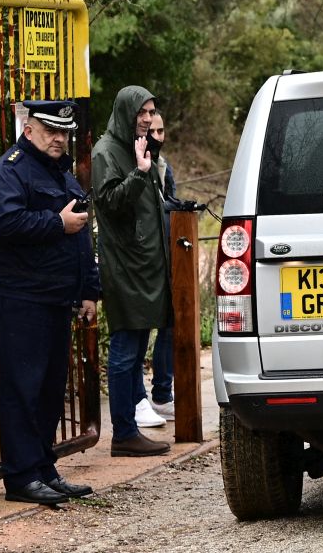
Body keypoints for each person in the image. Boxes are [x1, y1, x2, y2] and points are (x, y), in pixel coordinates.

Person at [0, 100, 99, 504]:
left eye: (64, 132)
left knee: (50, 389)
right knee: (23, 388)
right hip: (17, 297)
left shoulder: (59, 172)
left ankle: (44, 469)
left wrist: (88, 290)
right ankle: (20, 477)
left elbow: (81, 233)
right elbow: (5, 223)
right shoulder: (9, 171)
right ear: (28, 130)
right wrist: (56, 223)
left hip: (53, 296)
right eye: (51, 131)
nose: (59, 138)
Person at [92, 86, 172, 457]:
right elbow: (108, 204)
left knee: (137, 349)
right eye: (143, 111)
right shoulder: (106, 152)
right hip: (125, 268)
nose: (148, 117)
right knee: (124, 352)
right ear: (126, 111)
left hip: (145, 267)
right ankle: (123, 433)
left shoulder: (138, 147)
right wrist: (140, 172)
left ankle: (129, 428)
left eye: (152, 110)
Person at [146, 111, 182, 420]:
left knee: (169, 324)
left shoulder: (164, 166)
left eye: (161, 129)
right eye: (152, 130)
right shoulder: (135, 164)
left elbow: (170, 203)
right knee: (141, 329)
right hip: (145, 258)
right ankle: (141, 399)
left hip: (168, 255)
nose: (158, 136)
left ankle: (161, 392)